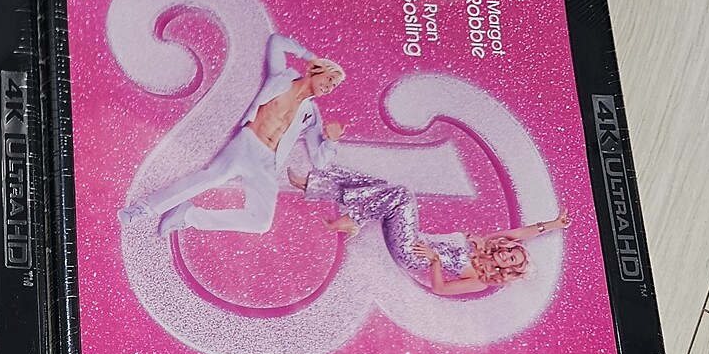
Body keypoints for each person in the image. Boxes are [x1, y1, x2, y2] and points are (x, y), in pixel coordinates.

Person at [120, 34, 345, 236]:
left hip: (268, 162)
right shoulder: (282, 77)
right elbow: (276, 42)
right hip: (247, 144)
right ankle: (144, 208)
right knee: (210, 177)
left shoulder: (312, 115)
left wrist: (332, 141)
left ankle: (187, 216)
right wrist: (309, 55)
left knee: (261, 222)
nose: (329, 87)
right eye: (329, 79)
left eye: (333, 86)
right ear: (316, 70)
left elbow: (319, 160)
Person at [292, 165, 570, 295]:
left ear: (507, 269)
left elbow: (441, 289)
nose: (507, 255)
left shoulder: (480, 280)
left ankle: (352, 217)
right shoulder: (484, 244)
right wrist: (553, 224)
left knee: (401, 193)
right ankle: (315, 185)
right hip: (413, 236)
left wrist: (435, 260)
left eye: (511, 261)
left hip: (412, 254)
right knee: (384, 187)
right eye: (511, 252)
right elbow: (521, 233)